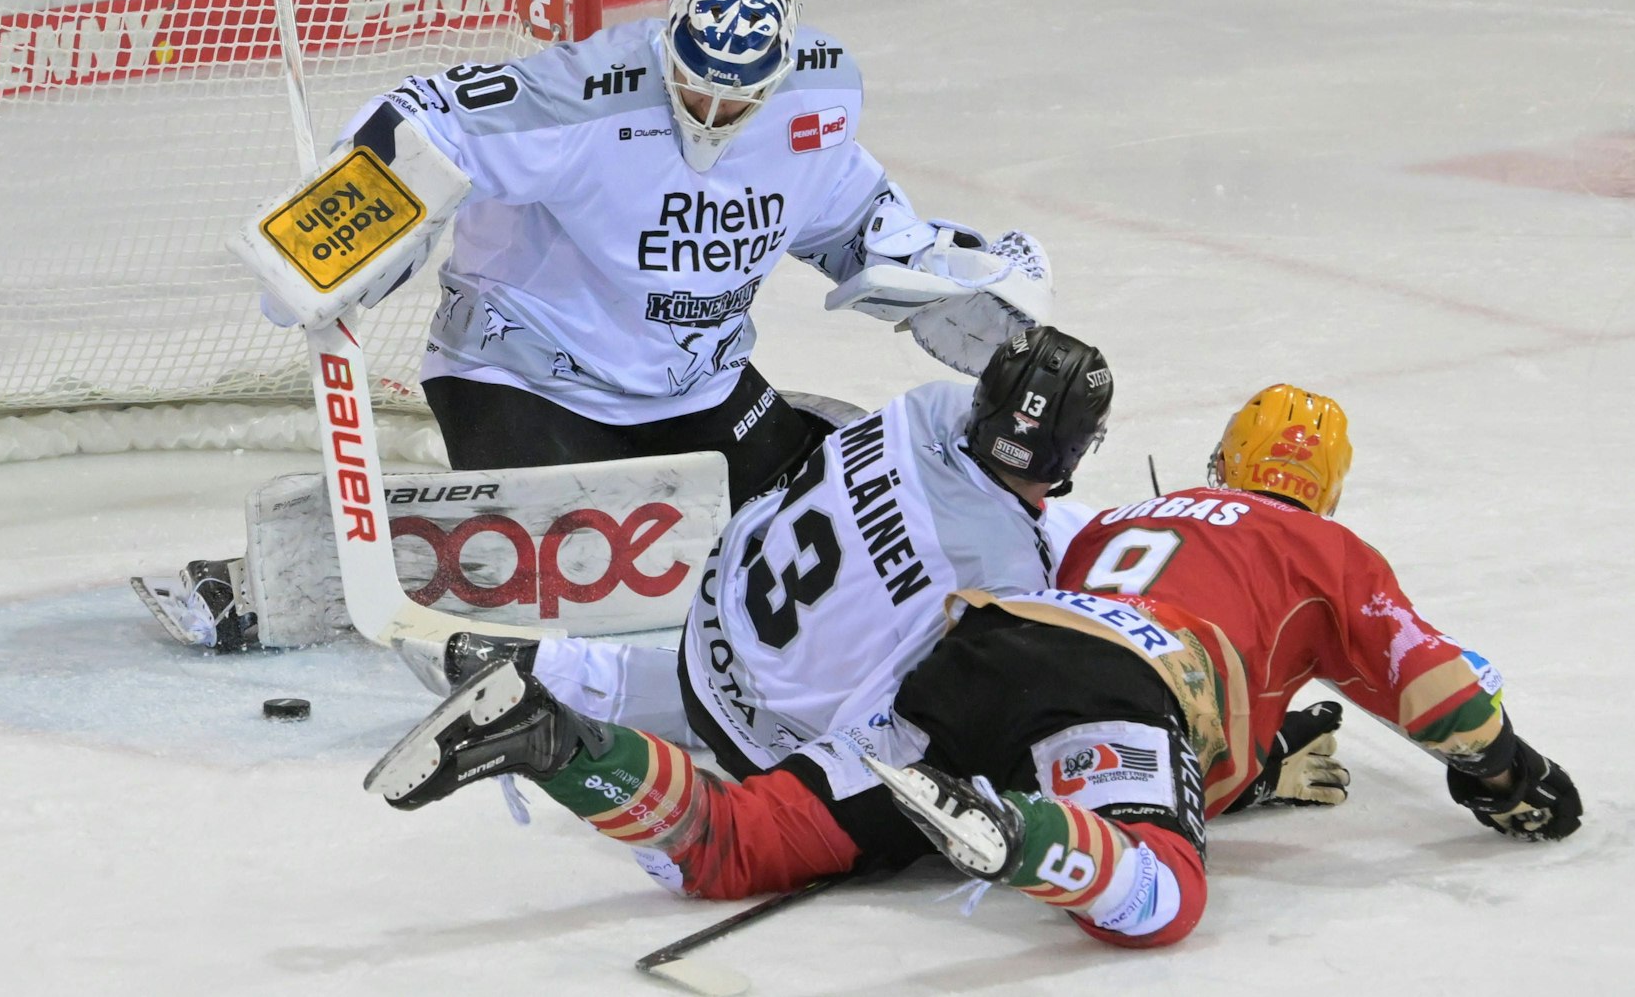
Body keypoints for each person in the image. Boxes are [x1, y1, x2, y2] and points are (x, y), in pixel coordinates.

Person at [365, 380, 1578, 950]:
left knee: (731, 846)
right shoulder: (1323, 546)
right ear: (1325, 492)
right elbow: (1437, 689)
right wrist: (1502, 773)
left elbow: (1077, 648)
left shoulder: (1101, 524)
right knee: (1161, 899)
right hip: (1111, 691)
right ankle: (1019, 836)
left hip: (967, 662)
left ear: (1212, 454)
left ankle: (549, 738)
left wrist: (1248, 770)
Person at [156, 0, 1054, 650]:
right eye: (692, 81)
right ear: (667, 40)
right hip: (524, 373)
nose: (707, 108)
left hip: (698, 389)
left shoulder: (815, 104)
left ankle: (787, 432)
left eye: (734, 96)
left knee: (835, 530)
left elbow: (849, 213)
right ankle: (276, 573)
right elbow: (423, 117)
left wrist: (932, 271)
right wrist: (342, 228)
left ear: (776, 77)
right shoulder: (588, 91)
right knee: (553, 561)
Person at [392, 324, 1116, 772]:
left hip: (716, 617)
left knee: (818, 628)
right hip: (773, 745)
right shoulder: (1008, 571)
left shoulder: (927, 406)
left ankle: (540, 667)